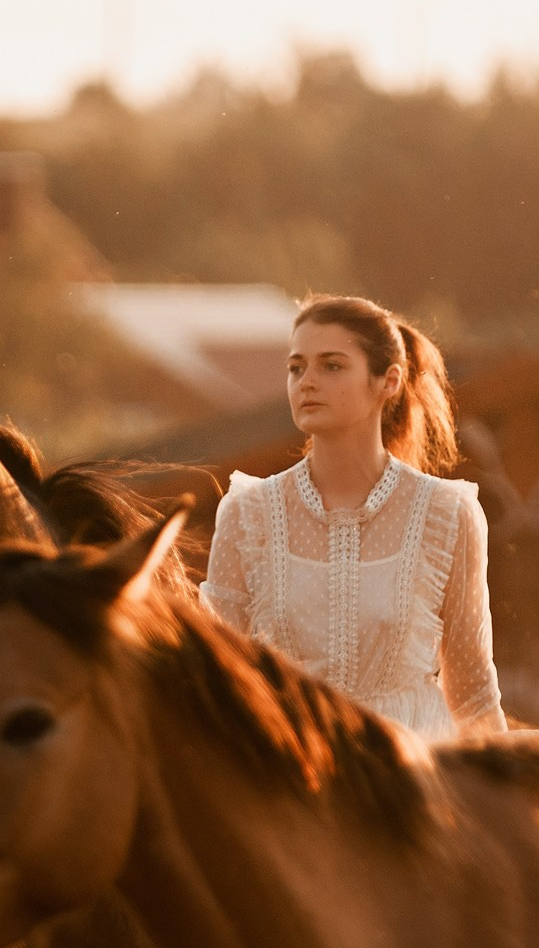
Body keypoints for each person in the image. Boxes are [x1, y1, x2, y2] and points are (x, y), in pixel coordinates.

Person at [200, 295, 506, 740]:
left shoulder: (447, 513)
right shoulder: (247, 512)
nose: (306, 382)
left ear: (389, 381)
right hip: (296, 772)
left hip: (415, 776)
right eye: (296, 367)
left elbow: (473, 692)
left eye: (332, 365)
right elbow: (216, 677)